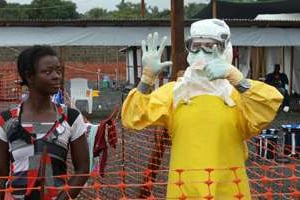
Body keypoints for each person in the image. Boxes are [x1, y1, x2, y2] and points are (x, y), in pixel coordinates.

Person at [121, 19, 283, 199]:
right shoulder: (176, 93)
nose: (201, 52)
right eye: (196, 46)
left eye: (210, 46)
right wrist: (146, 79)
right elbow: (132, 117)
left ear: (225, 49)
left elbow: (270, 104)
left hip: (229, 190)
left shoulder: (238, 96)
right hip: (185, 190)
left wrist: (238, 80)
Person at [0, 46, 89, 200]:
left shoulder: (71, 118)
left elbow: (82, 169)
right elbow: (1, 176)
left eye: (58, 71)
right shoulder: (7, 121)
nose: (57, 77)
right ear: (30, 77)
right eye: (48, 72)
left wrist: (63, 198)